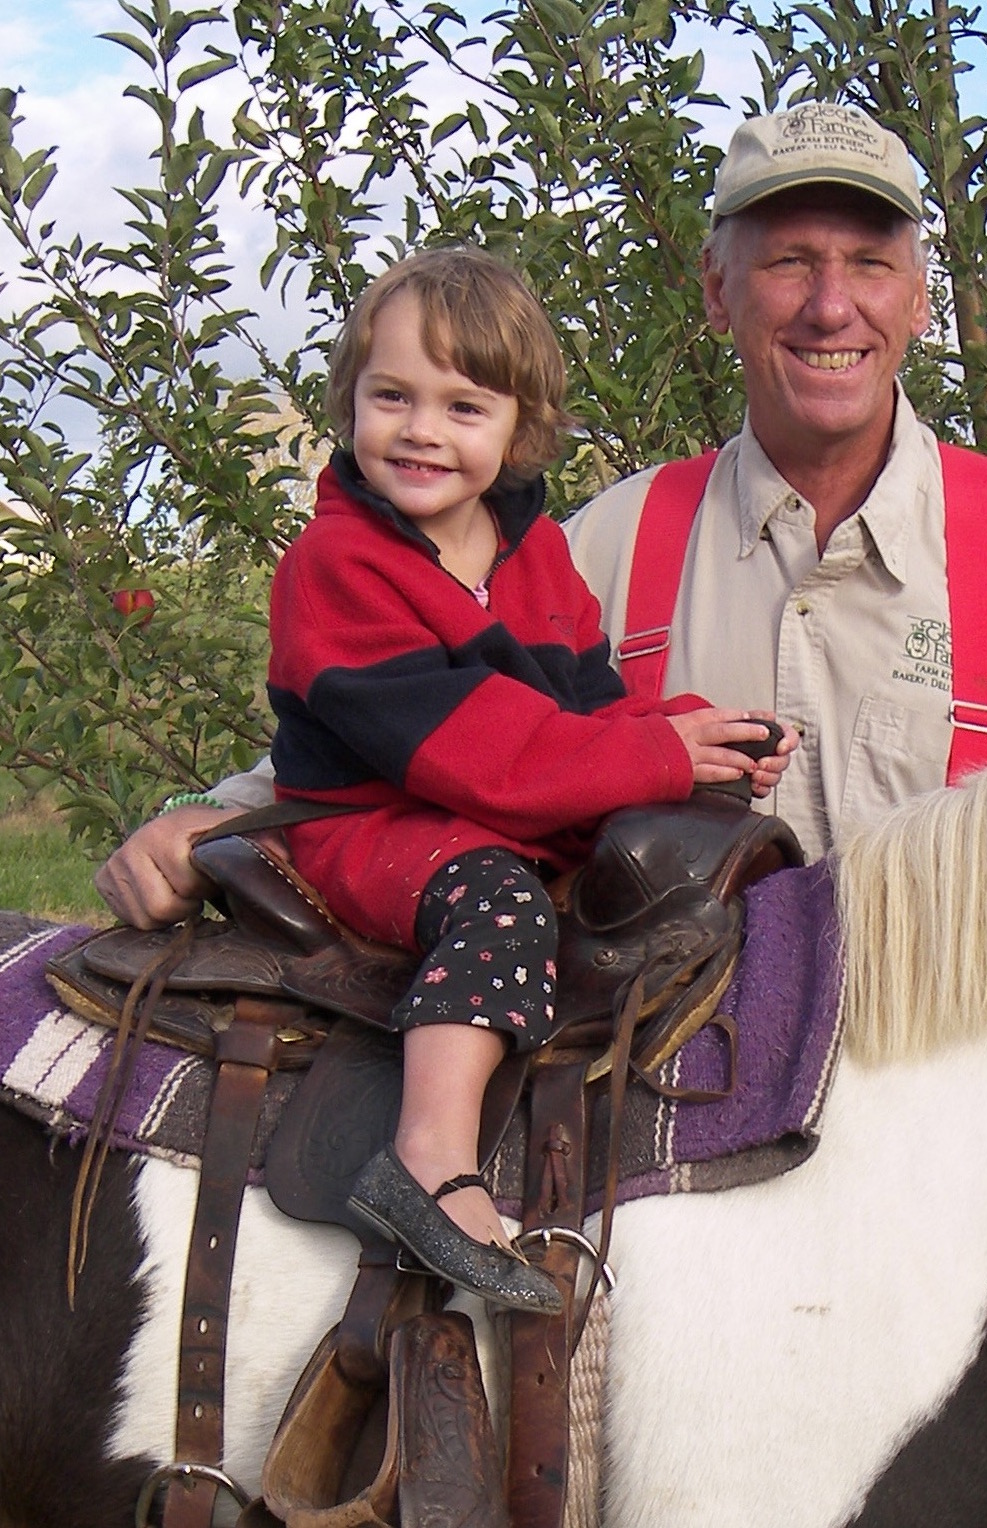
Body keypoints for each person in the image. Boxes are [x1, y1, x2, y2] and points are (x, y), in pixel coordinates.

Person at [96, 100, 987, 926]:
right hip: (671, 1145)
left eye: (868, 263)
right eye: (790, 260)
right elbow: (393, 716)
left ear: (918, 297)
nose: (830, 305)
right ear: (715, 290)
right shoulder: (604, 546)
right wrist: (223, 818)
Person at [264, 247, 792, 1312]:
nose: (421, 430)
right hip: (375, 819)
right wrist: (652, 755)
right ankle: (429, 1156)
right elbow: (470, 749)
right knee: (500, 902)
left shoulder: (536, 553)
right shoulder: (336, 565)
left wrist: (693, 734)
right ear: (349, 401)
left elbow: (582, 709)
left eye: (463, 406)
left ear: (518, 428)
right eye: (392, 397)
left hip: (470, 806)